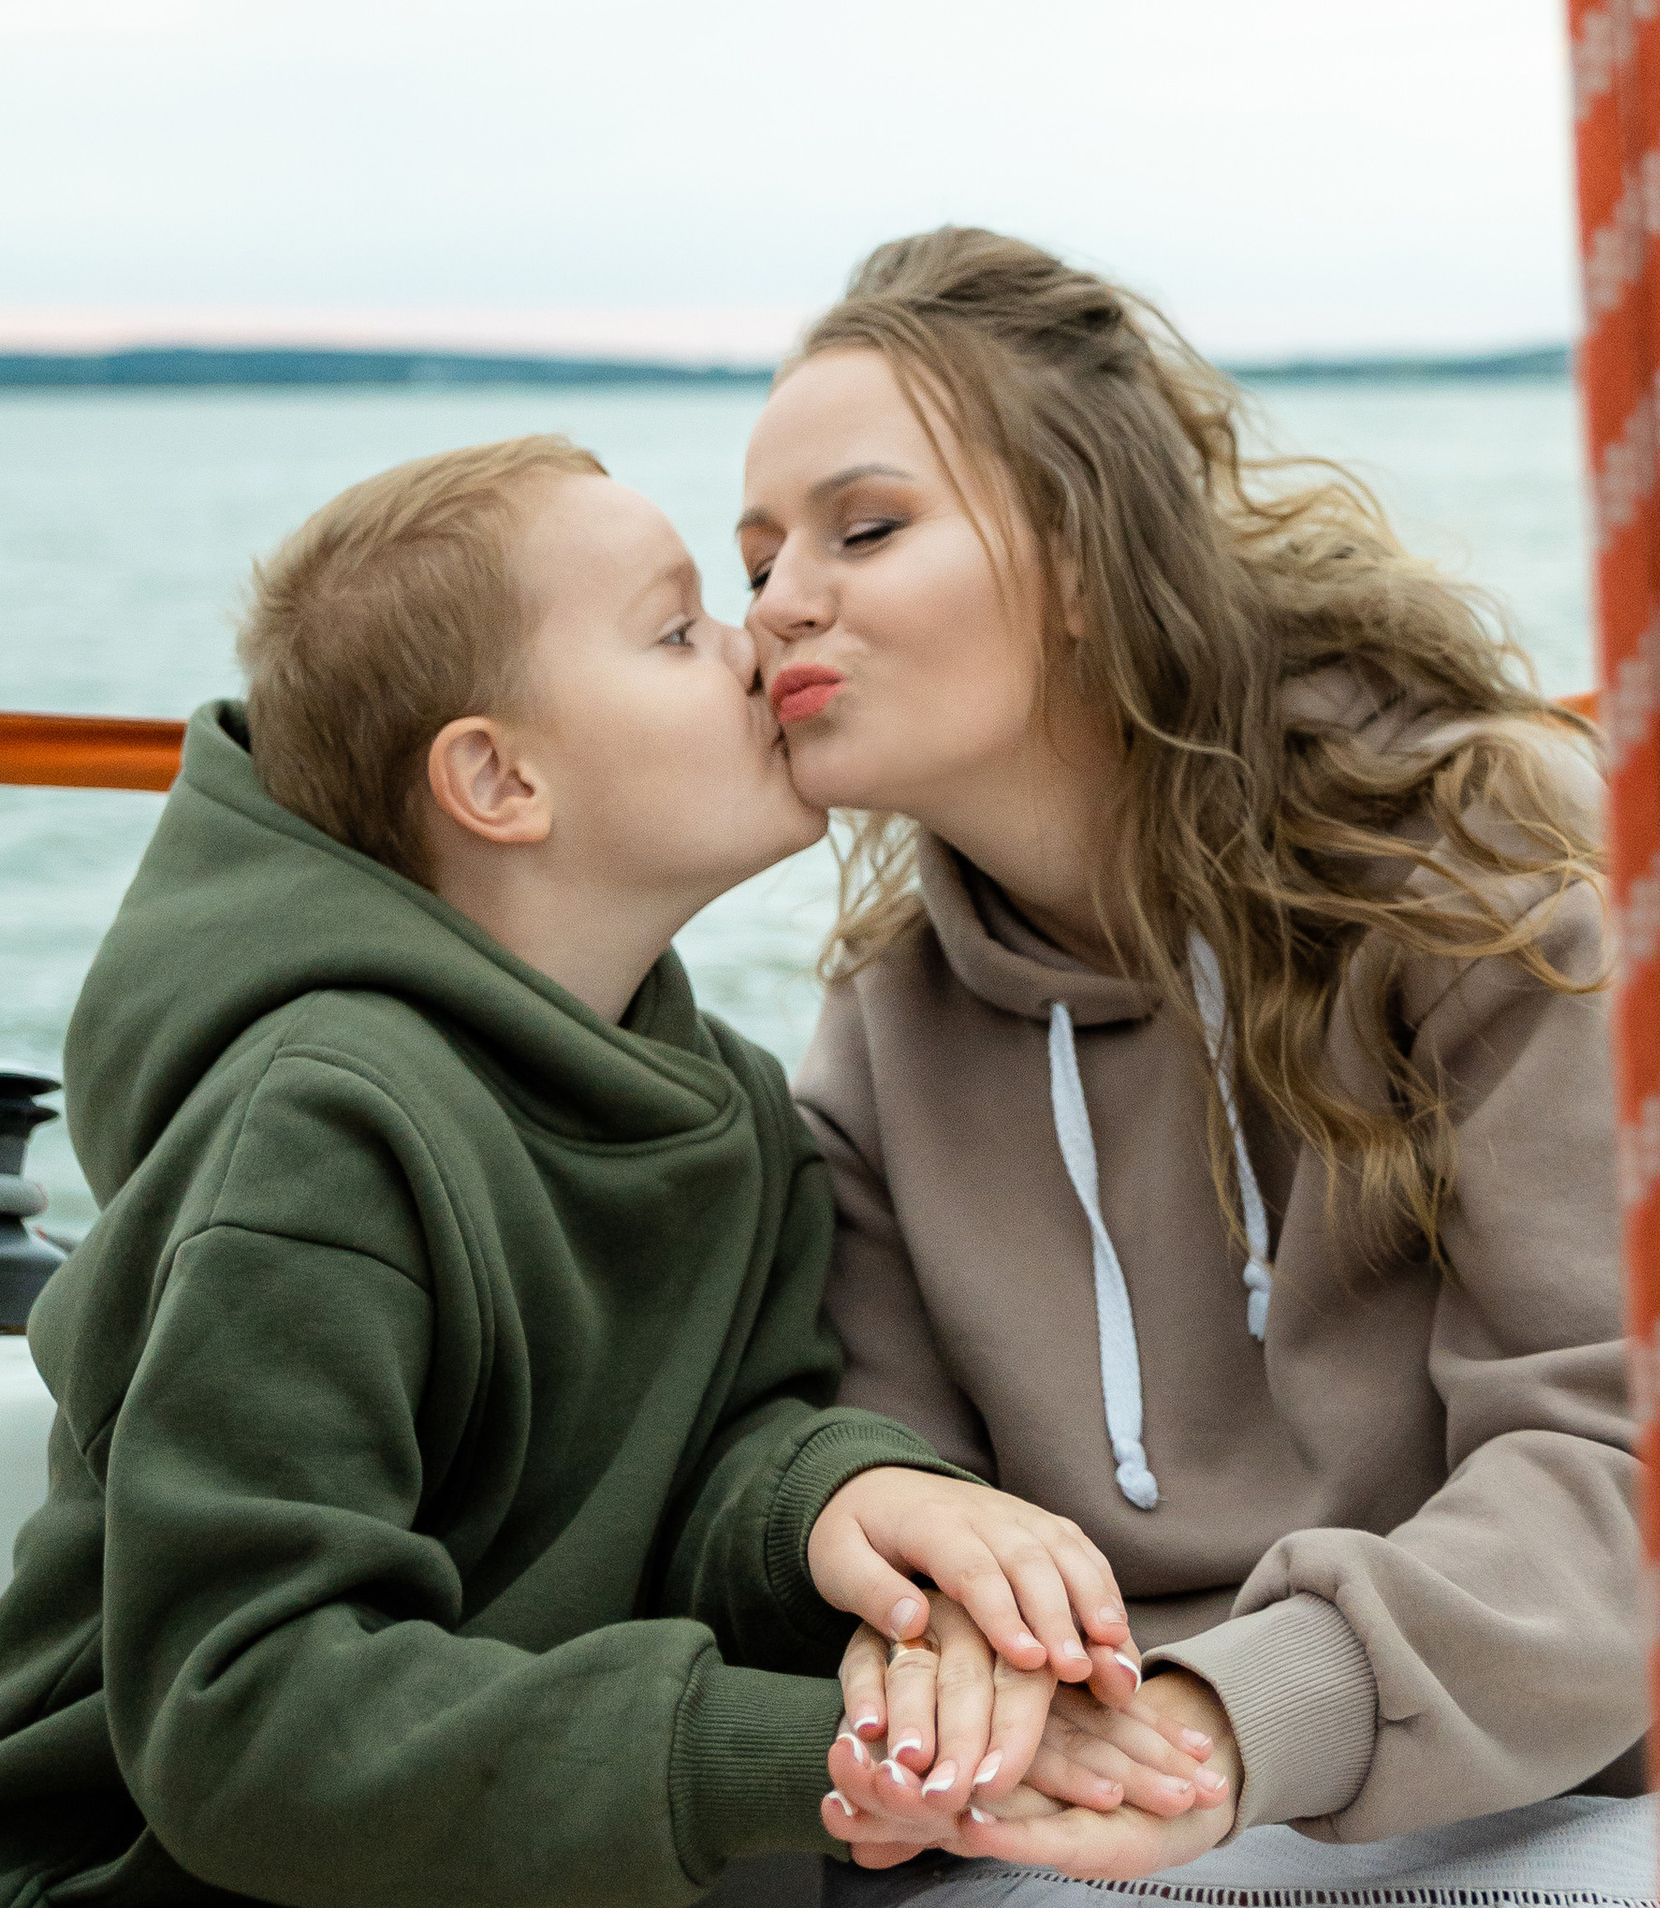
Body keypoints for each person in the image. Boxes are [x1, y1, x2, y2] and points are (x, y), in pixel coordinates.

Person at [738, 229, 1660, 1895]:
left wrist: (1239, 1718)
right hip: (1150, 1790)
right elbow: (905, 1476)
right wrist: (938, 1662)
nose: (779, 601)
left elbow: (1654, 1465)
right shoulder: (889, 1022)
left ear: (1086, 555)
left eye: (864, 527)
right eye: (754, 560)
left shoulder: (1477, 879)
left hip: (1606, 1767)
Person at [0, 433, 1209, 1908]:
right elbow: (243, 1712)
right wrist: (781, 1748)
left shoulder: (727, 1107)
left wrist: (847, 1496)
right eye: (678, 625)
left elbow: (707, 1454)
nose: (760, 634)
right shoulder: (322, 1130)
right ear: (499, 777)